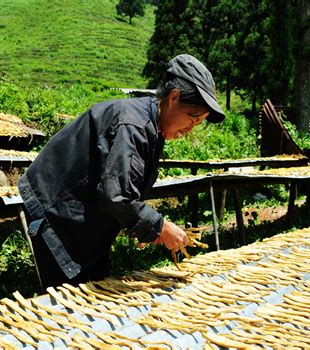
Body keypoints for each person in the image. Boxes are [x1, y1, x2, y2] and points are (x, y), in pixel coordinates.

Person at [18, 54, 225, 290]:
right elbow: (118, 196)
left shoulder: (153, 128)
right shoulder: (134, 125)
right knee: (68, 298)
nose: (189, 129)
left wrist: (145, 227)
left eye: (197, 124)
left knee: (95, 282)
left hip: (82, 209)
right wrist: (160, 226)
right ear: (174, 97)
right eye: (192, 118)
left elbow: (122, 187)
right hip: (56, 208)